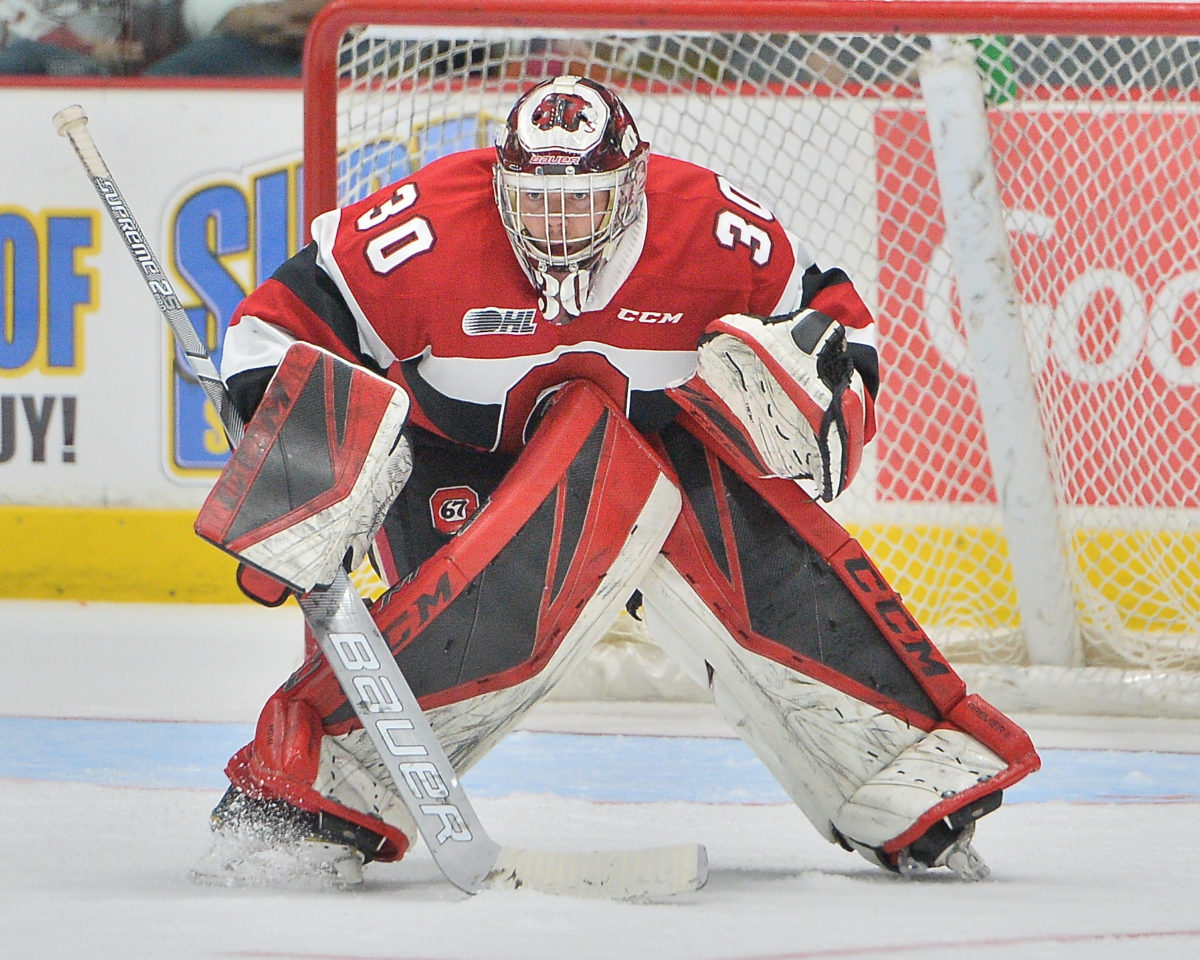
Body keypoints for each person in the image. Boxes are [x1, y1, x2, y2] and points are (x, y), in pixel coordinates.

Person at [192, 74, 1040, 888]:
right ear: (500, 183)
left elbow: (841, 335)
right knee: (480, 619)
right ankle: (310, 794)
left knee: (738, 541)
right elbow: (271, 332)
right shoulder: (420, 230)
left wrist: (814, 407)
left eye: (582, 200)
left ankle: (906, 778)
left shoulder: (716, 229)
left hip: (663, 458)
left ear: (631, 185)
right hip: (459, 462)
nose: (558, 225)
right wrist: (304, 464)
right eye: (537, 200)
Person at [144, 0, 321, 76]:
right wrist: (232, 16)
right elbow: (199, 8)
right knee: (157, 84)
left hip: (339, 38)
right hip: (247, 40)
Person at [0, 0, 177, 75]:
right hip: (56, 72)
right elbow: (32, 35)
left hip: (137, 75)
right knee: (22, 53)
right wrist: (91, 49)